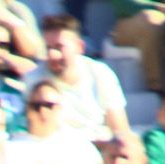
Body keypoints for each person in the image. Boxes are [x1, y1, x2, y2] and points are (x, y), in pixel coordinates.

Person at [27, 14, 130, 142]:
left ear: (80, 47)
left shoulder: (101, 73)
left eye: (59, 47)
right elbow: (34, 132)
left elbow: (120, 131)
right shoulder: (33, 79)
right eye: (48, 48)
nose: (52, 55)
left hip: (99, 149)